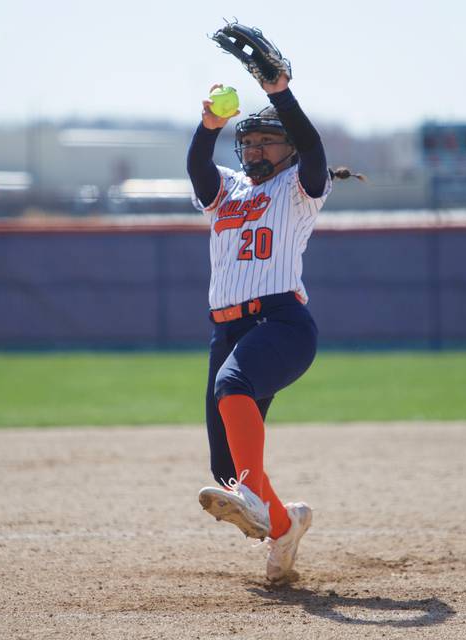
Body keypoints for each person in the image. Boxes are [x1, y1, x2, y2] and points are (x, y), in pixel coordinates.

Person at [187, 71, 359, 582]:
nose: (256, 149)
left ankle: (256, 500)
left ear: (287, 148)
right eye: (251, 141)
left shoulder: (300, 185)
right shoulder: (229, 189)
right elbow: (199, 165)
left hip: (280, 321)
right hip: (228, 331)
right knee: (226, 468)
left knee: (232, 385)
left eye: (268, 141)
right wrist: (209, 125)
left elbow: (312, 146)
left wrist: (279, 91)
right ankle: (284, 528)